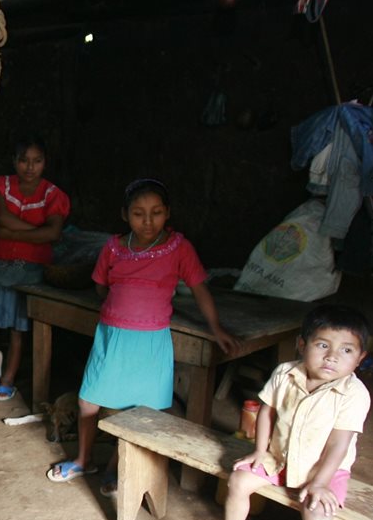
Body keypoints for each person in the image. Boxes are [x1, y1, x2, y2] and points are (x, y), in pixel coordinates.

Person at [47, 178, 239, 494]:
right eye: (138, 213)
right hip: (112, 337)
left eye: (156, 212)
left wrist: (216, 327)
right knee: (88, 401)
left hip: (150, 342)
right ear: (125, 215)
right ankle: (84, 460)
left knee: (140, 412)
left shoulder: (179, 248)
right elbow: (101, 285)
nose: (148, 222)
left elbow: (199, 288)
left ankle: (115, 467)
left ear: (168, 213)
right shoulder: (113, 247)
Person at [195, 305, 371, 520]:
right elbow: (267, 412)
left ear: (359, 358)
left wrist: (320, 482)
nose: (331, 357)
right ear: (302, 345)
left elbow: (339, 444)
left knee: (318, 511)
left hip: (325, 469)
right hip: (279, 457)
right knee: (238, 480)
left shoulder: (354, 394)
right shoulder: (285, 373)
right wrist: (260, 451)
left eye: (346, 350)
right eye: (322, 346)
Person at [0, 135, 71, 402]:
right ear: (14, 161)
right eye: (24, 160)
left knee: (18, 331)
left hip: (31, 271)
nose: (30, 167)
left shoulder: (53, 194)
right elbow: (2, 217)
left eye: (37, 161)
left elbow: (54, 233)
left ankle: (7, 381)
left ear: (45, 163)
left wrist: (11, 234)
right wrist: (40, 232)